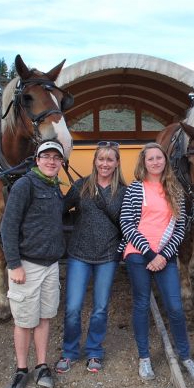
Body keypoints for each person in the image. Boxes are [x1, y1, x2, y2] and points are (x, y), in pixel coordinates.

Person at [120, 142, 194, 382]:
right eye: (150, 159)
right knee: (141, 305)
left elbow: (180, 228)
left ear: (165, 161)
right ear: (143, 163)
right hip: (139, 255)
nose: (155, 162)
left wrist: (164, 256)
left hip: (165, 255)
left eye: (159, 158)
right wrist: (148, 254)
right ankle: (144, 358)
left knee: (175, 308)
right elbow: (127, 224)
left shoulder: (175, 191)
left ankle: (185, 355)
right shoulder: (135, 189)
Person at [1, 139, 66, 388]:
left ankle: (41, 365)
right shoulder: (24, 185)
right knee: (24, 320)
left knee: (44, 317)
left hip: (50, 265)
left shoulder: (53, 187)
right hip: (27, 265)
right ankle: (20, 370)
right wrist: (14, 264)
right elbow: (8, 227)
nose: (51, 161)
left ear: (61, 163)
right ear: (37, 160)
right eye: (46, 156)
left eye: (56, 158)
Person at [55, 141, 127, 374]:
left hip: (107, 255)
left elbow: (129, 224)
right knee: (73, 307)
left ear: (117, 163)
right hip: (79, 254)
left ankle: (95, 351)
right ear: (95, 161)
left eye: (110, 159)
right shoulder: (81, 186)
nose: (104, 163)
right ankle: (69, 351)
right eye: (101, 159)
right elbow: (59, 209)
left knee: (100, 307)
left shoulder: (124, 192)